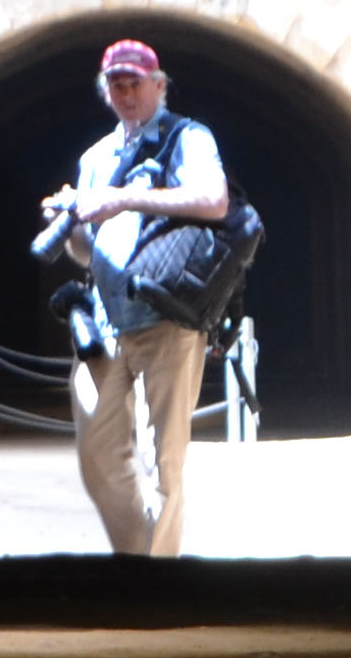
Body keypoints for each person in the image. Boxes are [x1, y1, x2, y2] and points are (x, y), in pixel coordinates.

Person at [50, 38, 227, 558]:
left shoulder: (187, 138)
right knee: (98, 455)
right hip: (106, 324)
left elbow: (213, 200)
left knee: (164, 462)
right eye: (116, 85)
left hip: (168, 317)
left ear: (159, 85)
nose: (126, 94)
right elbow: (88, 253)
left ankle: (158, 575)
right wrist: (71, 222)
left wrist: (125, 198)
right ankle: (137, 562)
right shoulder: (95, 158)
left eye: (135, 84)